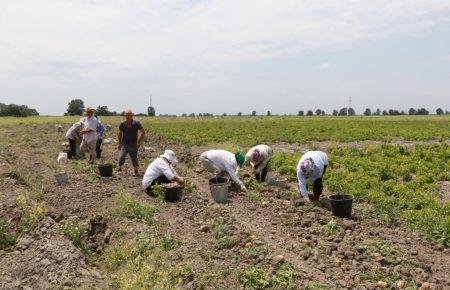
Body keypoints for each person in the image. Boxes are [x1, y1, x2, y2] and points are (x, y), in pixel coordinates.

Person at [117, 109, 146, 175]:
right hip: (124, 144)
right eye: (126, 115)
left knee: (134, 157)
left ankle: (136, 170)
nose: (127, 116)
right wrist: (119, 143)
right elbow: (120, 134)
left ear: (132, 115)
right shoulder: (122, 124)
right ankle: (119, 168)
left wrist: (138, 142)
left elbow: (143, 132)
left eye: (129, 115)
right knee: (122, 156)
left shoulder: (136, 123)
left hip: (133, 144)